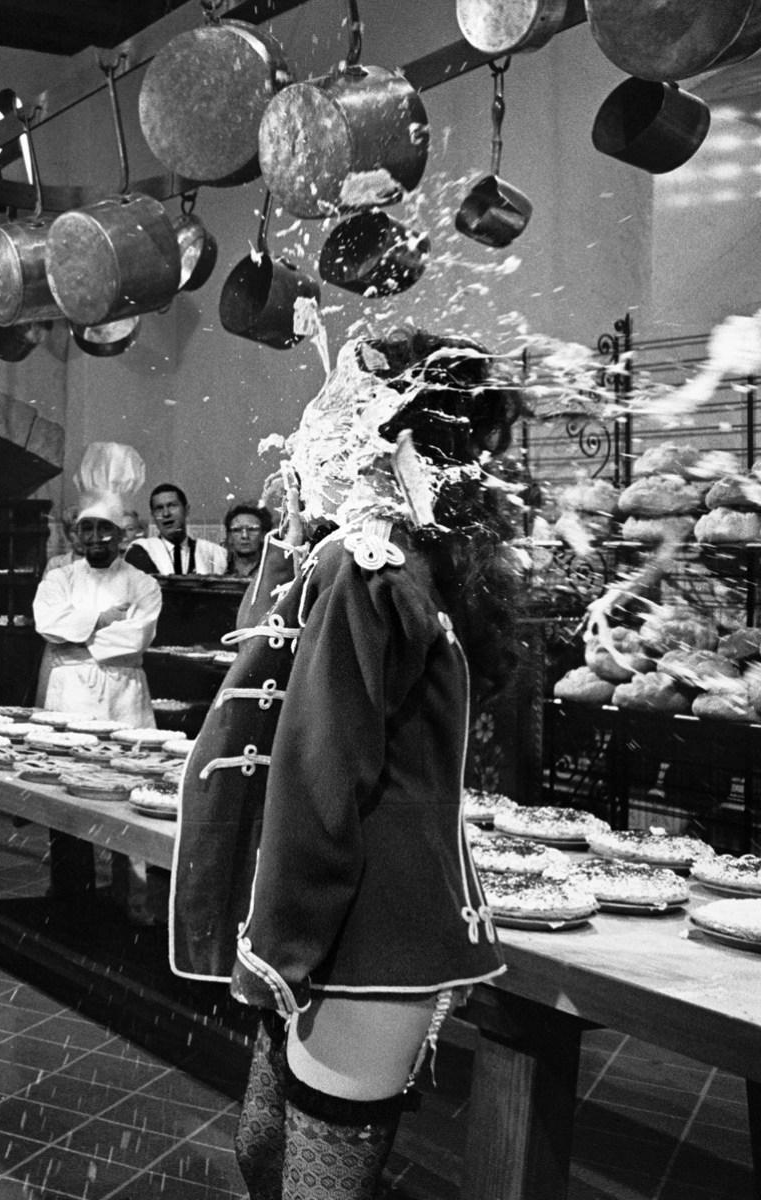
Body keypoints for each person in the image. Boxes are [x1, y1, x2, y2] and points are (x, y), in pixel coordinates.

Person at [169, 329, 524, 1199]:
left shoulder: (371, 568)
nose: (305, 435)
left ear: (381, 434)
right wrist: (289, 535)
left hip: (363, 932)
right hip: (345, 919)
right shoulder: (392, 557)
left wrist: (275, 952)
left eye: (326, 416)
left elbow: (320, 778)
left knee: (315, 1183)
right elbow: (263, 666)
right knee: (261, 1146)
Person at [33, 445, 162, 728]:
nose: (94, 537)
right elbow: (46, 623)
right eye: (87, 528)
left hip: (123, 696)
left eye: (104, 528)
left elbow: (135, 640)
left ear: (119, 534)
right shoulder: (59, 578)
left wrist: (72, 638)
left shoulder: (144, 585)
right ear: (77, 533)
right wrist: (102, 620)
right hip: (69, 694)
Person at [126, 483, 227, 577]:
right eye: (159, 508)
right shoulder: (142, 551)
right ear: (153, 516)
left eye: (172, 506)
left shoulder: (211, 552)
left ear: (186, 510)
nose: (166, 514)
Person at [222, 503, 273, 579]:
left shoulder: (272, 569)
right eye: (237, 530)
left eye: (252, 530)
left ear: (263, 535)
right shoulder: (220, 567)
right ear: (229, 536)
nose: (244, 536)